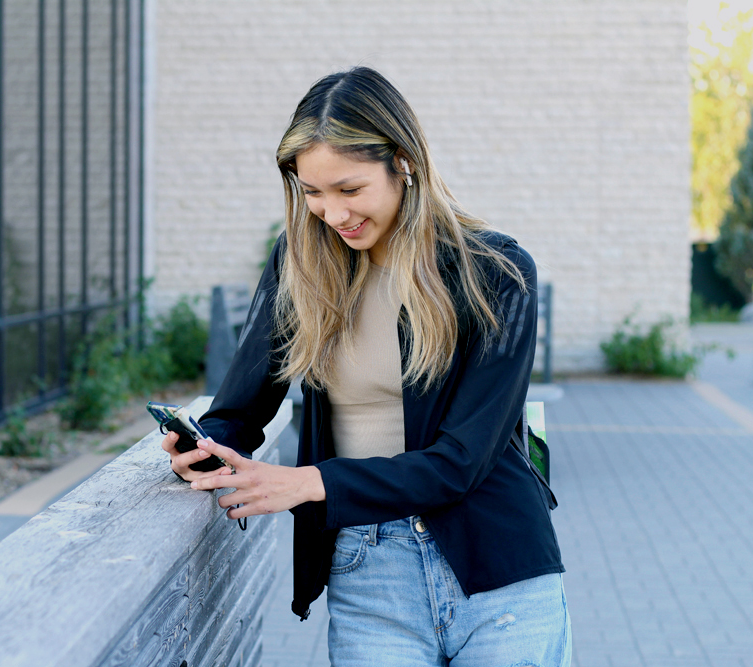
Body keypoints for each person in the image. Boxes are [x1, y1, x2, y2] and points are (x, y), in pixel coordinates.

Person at [162, 66, 571, 666]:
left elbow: (462, 462)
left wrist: (308, 483)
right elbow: (240, 411)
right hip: (368, 564)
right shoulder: (299, 264)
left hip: (499, 565)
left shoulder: (497, 272)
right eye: (313, 193)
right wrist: (201, 448)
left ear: (402, 162)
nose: (332, 213)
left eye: (349, 190)